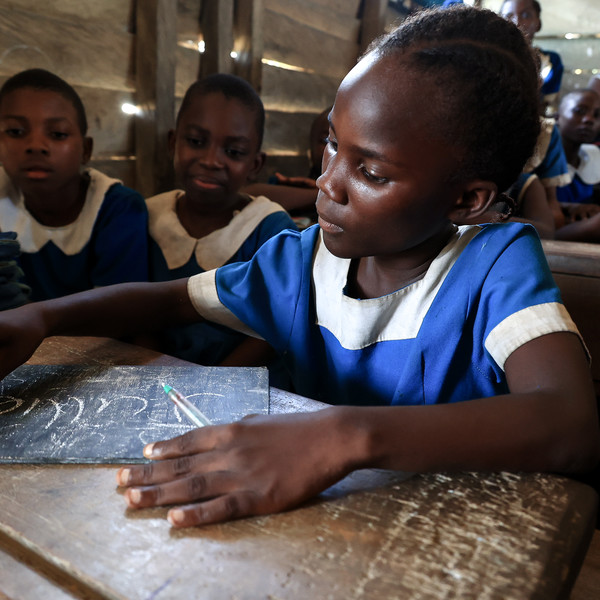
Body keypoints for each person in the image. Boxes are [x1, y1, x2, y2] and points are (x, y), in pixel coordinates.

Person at [0, 6, 597, 529]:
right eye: (334, 143)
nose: (327, 182)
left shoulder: (494, 266)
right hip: (315, 531)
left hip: (457, 538)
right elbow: (168, 299)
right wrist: (39, 318)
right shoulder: (299, 260)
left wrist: (344, 435)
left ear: (466, 199)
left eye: (372, 172)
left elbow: (571, 424)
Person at [144, 74, 297, 368]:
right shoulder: (147, 215)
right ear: (173, 142)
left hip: (238, 388)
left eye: (233, 152)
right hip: (154, 379)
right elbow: (133, 314)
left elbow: (274, 329)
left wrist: (214, 385)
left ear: (255, 164)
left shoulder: (271, 230)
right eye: (196, 141)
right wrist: (152, 368)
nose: (212, 160)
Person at [0, 69, 148, 302]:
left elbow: (119, 312)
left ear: (86, 150)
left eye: (57, 134)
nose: (36, 146)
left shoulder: (118, 208)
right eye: (16, 132)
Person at [500, 0, 563, 115]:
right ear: (498, 23)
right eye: (508, 16)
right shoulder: (491, 59)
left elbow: (548, 107)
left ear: (538, 23)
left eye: (525, 15)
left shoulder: (551, 61)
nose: (516, 22)